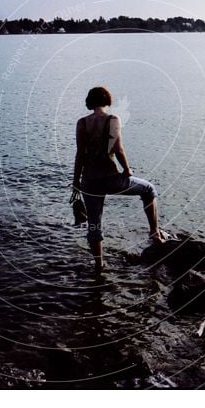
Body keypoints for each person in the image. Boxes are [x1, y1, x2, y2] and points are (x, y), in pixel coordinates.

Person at [72, 86, 167, 272]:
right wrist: (127, 169)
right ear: (108, 100)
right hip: (111, 179)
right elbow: (118, 149)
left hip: (90, 180)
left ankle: (99, 265)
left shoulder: (81, 123)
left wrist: (76, 181)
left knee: (94, 224)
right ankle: (154, 232)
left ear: (90, 102)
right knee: (149, 190)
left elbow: (79, 155)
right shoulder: (113, 119)